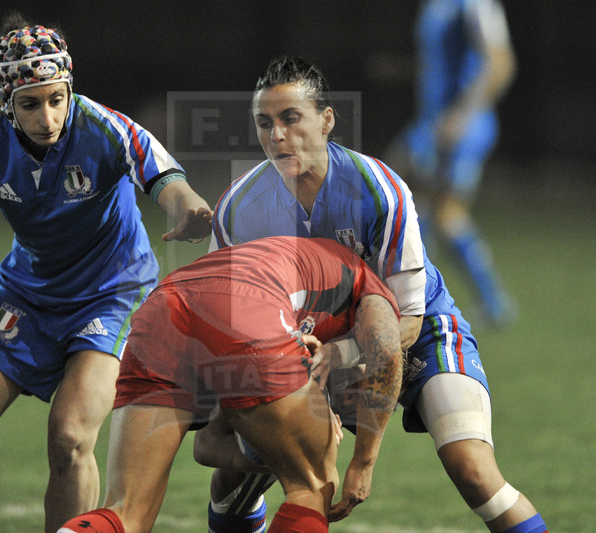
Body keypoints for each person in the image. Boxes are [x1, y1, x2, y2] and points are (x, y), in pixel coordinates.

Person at [0, 13, 212, 533]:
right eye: (30, 103)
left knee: (69, 436)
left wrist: (190, 210)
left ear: (69, 89)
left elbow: (168, 180)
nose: (48, 115)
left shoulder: (106, 128)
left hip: (114, 295)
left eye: (56, 98)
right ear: (6, 104)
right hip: (27, 296)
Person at [201, 56, 547, 533]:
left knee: (473, 470)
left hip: (418, 332)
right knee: (230, 482)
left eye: (290, 118)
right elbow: (238, 318)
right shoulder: (239, 209)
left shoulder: (379, 191)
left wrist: (362, 453)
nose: (277, 135)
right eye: (265, 123)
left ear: (326, 121)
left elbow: (402, 322)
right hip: (310, 351)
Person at [57, 236, 405, 533]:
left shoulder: (296, 267)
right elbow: (387, 352)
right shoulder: (368, 282)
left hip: (164, 303)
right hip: (246, 306)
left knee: (126, 512)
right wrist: (362, 463)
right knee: (313, 483)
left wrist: (283, 442)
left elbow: (206, 445)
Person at [383, 0, 518, 326]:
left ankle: (488, 302)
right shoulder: (435, 6)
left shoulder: (473, 4)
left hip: (462, 127)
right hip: (432, 124)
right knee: (396, 197)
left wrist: (462, 114)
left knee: (443, 213)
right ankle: (419, 300)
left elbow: (501, 63)